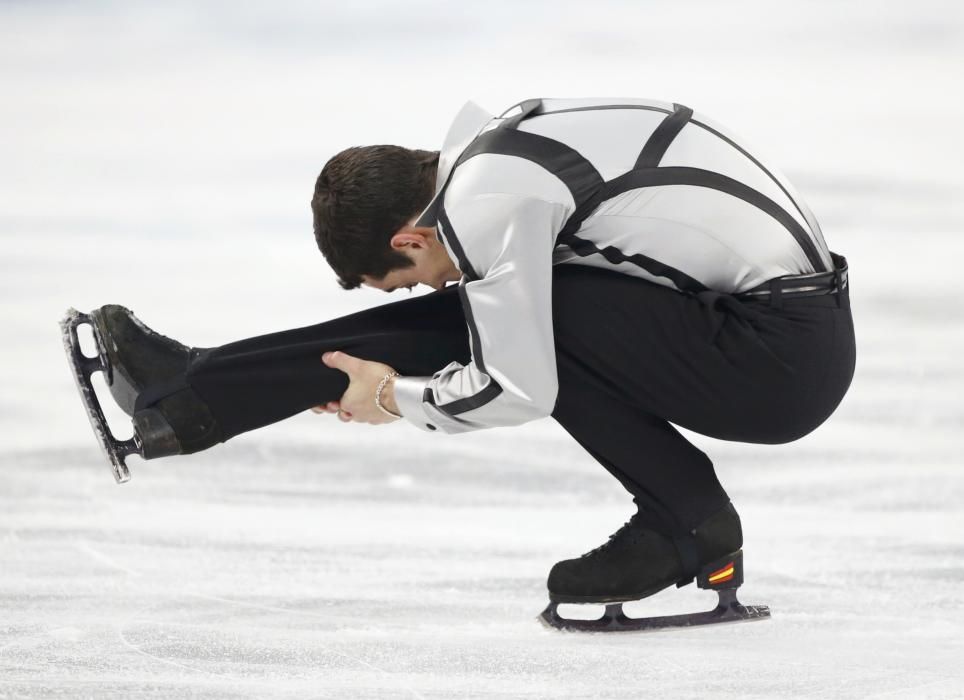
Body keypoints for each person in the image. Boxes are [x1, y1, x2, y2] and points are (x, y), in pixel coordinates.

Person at [63, 97, 856, 631]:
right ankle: (194, 390)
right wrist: (385, 380)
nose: (431, 280)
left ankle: (689, 527)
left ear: (408, 239)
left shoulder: (490, 199)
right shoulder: (494, 157)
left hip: (780, 359)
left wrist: (394, 398)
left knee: (534, 319)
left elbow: (517, 386)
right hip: (779, 331)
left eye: (406, 275)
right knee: (498, 311)